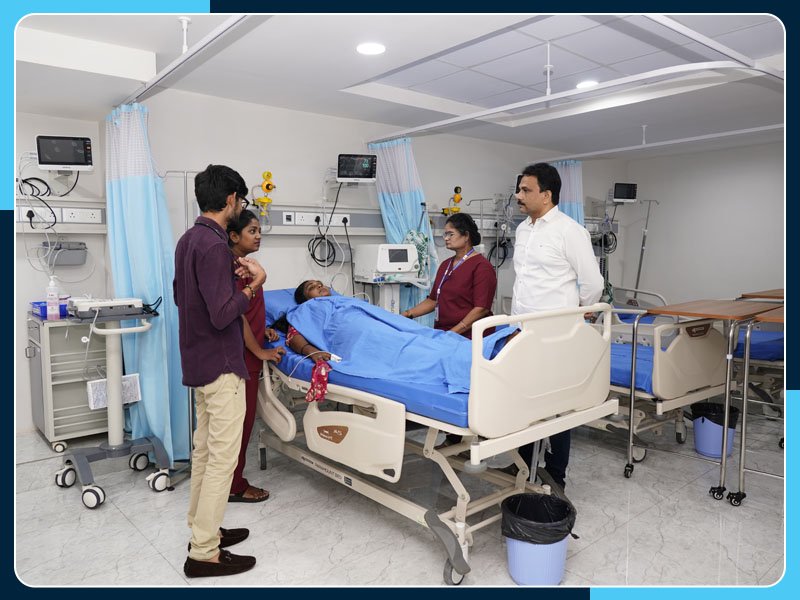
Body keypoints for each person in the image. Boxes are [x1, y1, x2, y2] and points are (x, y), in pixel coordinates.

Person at [174, 164, 265, 578]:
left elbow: (184, 297)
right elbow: (223, 313)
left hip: (199, 360)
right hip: (222, 364)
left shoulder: (188, 240)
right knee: (222, 460)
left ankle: (203, 530)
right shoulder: (213, 245)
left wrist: (231, 281)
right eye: (241, 200)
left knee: (205, 452)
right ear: (231, 200)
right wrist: (253, 285)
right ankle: (203, 553)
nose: (241, 207)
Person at [510, 162, 604, 490]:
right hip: (522, 331)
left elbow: (593, 283)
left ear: (546, 195)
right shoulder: (523, 230)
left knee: (557, 406)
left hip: (556, 335)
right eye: (519, 189)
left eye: (526, 190)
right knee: (525, 401)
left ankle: (556, 474)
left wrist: (579, 313)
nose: (518, 195)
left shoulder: (569, 231)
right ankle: (523, 466)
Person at [226, 209, 286, 503]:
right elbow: (237, 318)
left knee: (240, 423)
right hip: (242, 356)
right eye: (252, 231)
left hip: (246, 351)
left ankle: (230, 482)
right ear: (234, 236)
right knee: (240, 425)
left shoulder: (244, 267)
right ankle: (234, 486)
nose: (258, 235)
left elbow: (250, 313)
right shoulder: (237, 273)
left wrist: (266, 331)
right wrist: (261, 350)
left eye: (259, 230)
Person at [402, 212, 497, 339]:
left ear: (466, 236)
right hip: (444, 332)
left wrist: (452, 333)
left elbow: (481, 309)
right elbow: (433, 300)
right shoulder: (445, 265)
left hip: (469, 336)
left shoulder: (482, 267)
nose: (446, 238)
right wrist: (408, 314)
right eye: (445, 234)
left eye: (450, 234)